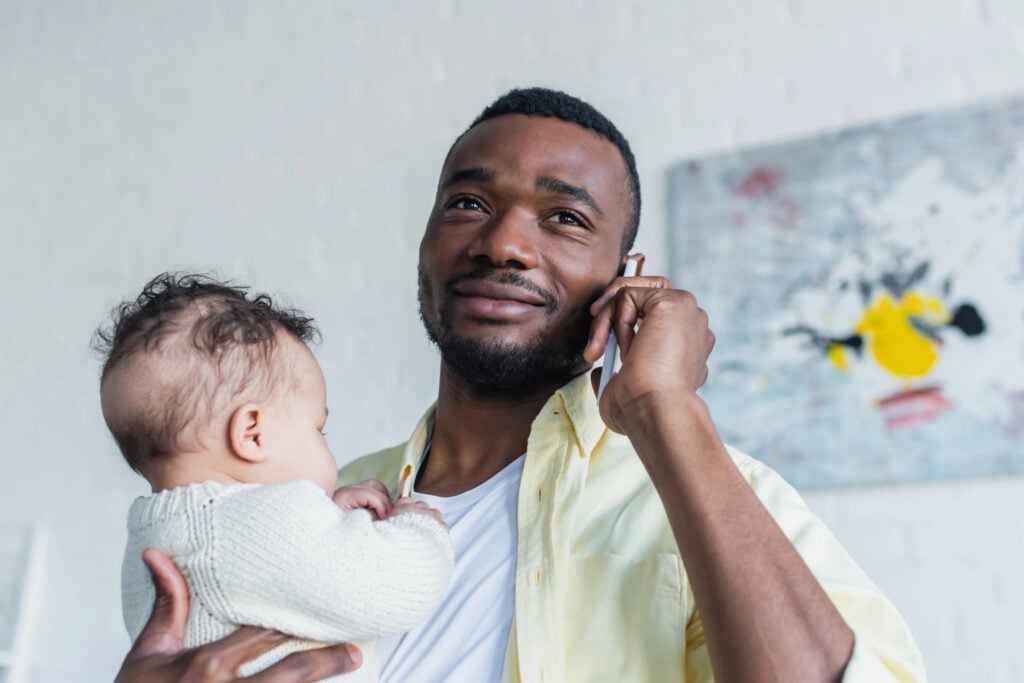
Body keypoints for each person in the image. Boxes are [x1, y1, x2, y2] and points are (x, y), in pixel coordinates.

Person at [115, 88, 926, 682]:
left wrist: (664, 406)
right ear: (427, 242)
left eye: (564, 217)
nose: (503, 242)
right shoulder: (319, 493)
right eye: (468, 203)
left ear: (625, 278)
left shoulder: (713, 494)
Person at [98, 273, 454, 682]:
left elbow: (279, 580)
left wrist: (329, 519)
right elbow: (396, 587)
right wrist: (418, 523)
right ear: (252, 433)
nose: (324, 444)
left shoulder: (155, 543)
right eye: (317, 429)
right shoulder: (259, 528)